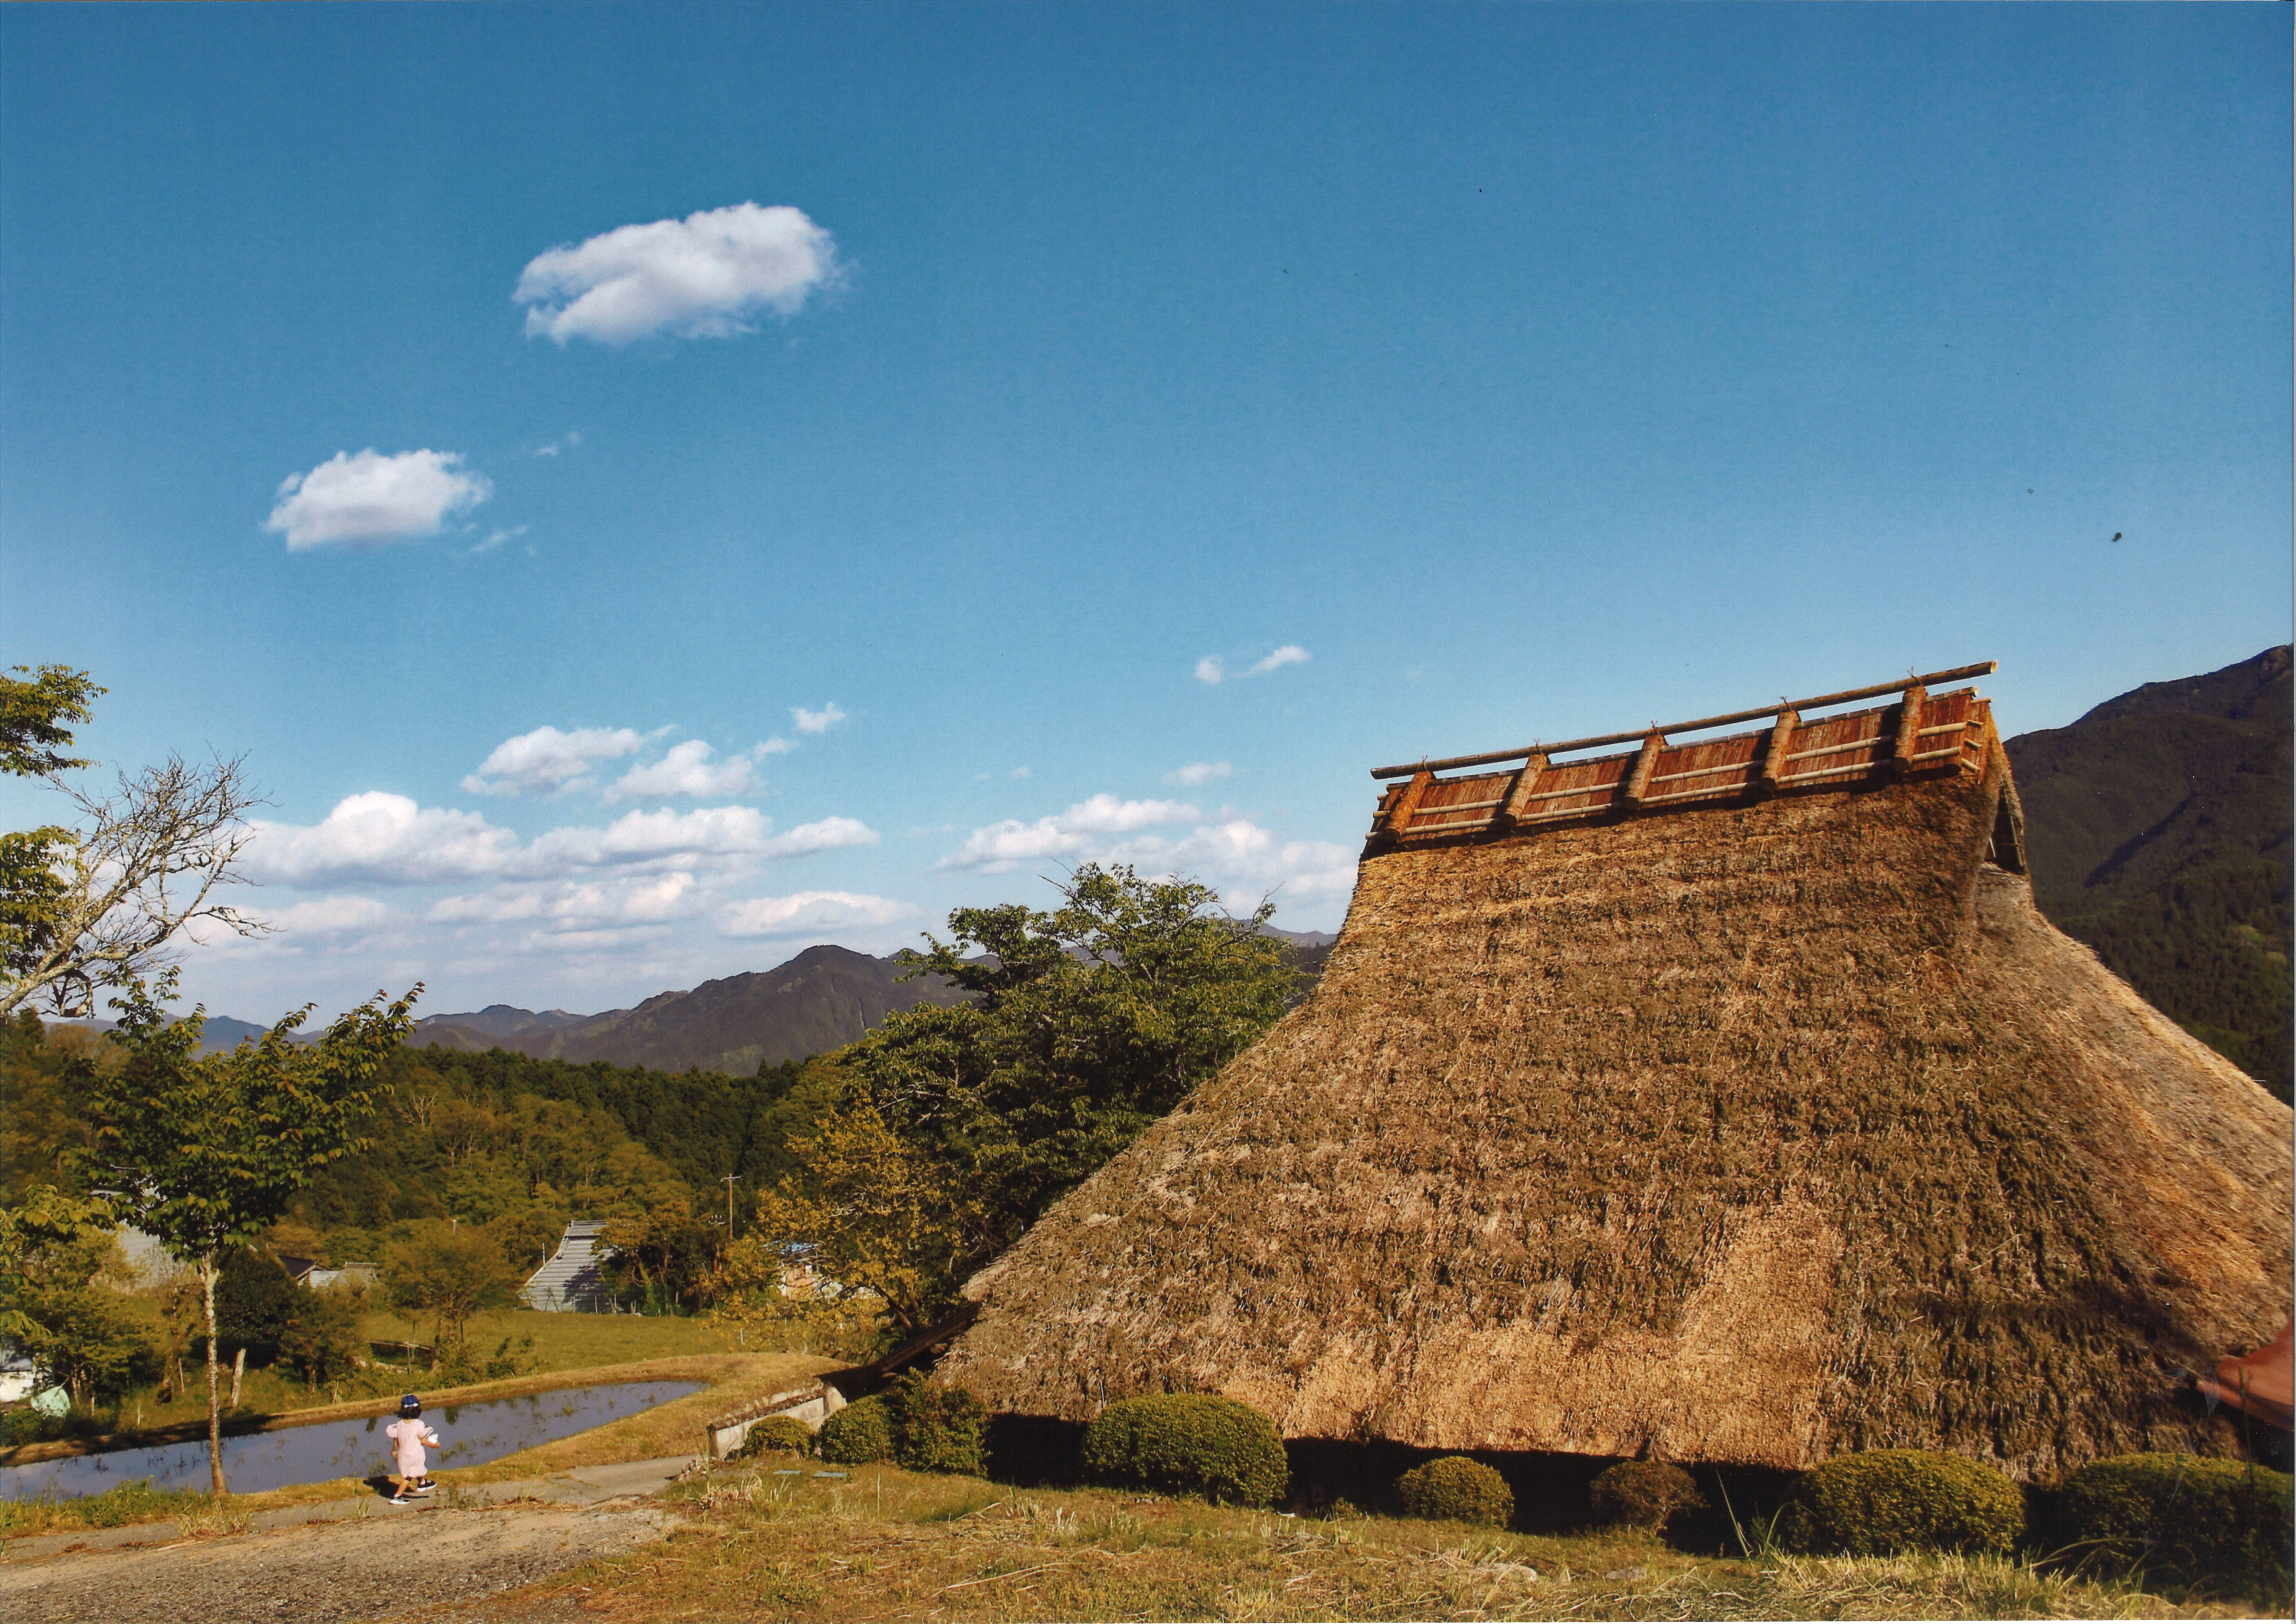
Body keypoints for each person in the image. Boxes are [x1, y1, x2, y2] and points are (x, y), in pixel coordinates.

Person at [383, 1393, 440, 1505]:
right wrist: (434, 1445)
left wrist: (394, 1450)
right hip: (415, 1454)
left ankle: (423, 1483)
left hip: (403, 1455)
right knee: (409, 1476)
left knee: (413, 1471)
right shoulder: (419, 1424)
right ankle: (397, 1496)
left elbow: (396, 1439)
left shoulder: (399, 1425)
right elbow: (423, 1440)